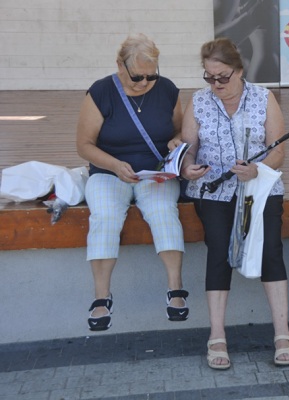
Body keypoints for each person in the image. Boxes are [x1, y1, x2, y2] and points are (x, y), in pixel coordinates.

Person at [180, 37, 289, 369]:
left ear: (240, 71)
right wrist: (188, 167)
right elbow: (187, 149)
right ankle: (217, 335)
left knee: (271, 250)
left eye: (223, 77)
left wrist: (258, 169)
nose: (216, 84)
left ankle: (282, 333)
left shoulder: (263, 97)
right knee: (218, 251)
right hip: (213, 190)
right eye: (209, 77)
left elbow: (278, 150)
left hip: (259, 188)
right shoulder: (199, 101)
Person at [76, 33, 189, 332]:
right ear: (119, 65)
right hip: (109, 171)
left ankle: (175, 289)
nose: (144, 83)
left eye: (151, 76)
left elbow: (180, 132)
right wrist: (114, 165)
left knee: (164, 212)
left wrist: (176, 142)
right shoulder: (101, 92)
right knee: (105, 216)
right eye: (137, 76)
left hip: (155, 172)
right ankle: (101, 297)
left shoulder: (167, 90)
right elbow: (84, 145)